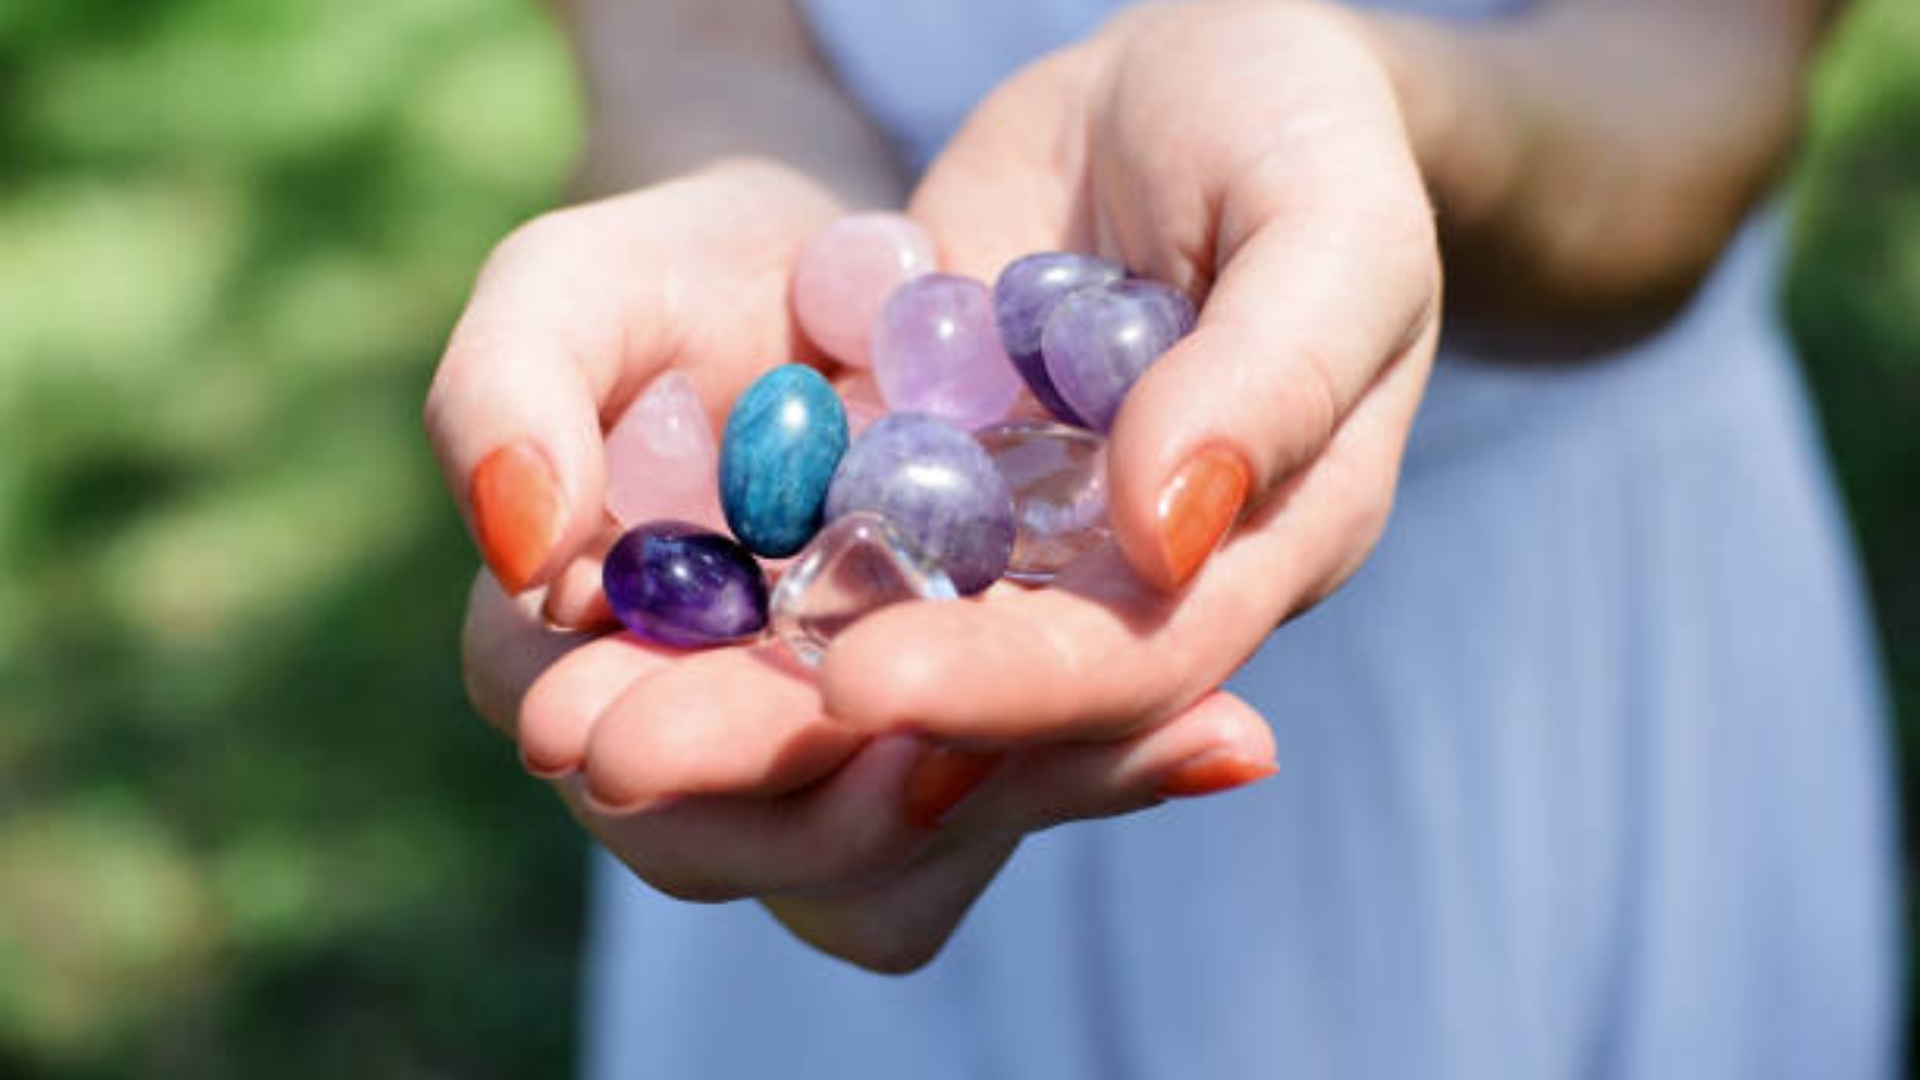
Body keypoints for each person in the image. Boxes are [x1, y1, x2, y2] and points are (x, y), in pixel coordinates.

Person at [426, 0, 1902, 1075]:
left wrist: (1379, 101)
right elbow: (694, 42)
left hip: (1554, 640)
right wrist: (740, 187)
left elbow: (1699, 69)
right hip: (865, 668)